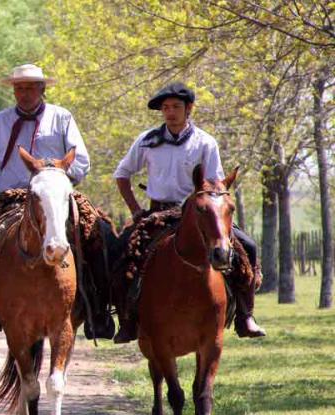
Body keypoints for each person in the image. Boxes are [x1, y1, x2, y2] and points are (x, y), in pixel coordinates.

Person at [0, 64, 114, 340]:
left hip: (54, 194)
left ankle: (99, 309)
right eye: (19, 88)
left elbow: (80, 159)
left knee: (100, 233)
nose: (25, 93)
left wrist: (58, 181)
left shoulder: (61, 117)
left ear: (43, 89)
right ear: (13, 91)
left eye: (31, 87)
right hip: (10, 198)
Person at [112, 82, 266, 342]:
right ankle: (126, 319)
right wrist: (136, 209)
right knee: (122, 251)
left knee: (247, 247)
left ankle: (245, 315)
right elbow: (122, 174)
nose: (170, 112)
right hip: (158, 214)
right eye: (165, 108)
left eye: (175, 107)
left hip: (200, 213)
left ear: (189, 109)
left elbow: (217, 183)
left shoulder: (205, 142)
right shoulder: (147, 140)